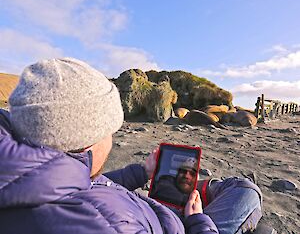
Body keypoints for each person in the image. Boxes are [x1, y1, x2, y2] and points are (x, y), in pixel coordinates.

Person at [0, 58, 218, 234]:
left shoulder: (38, 176)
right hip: (180, 224)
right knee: (242, 190)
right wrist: (199, 222)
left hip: (147, 211)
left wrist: (142, 172)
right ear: (90, 138)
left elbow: (87, 185)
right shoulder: (103, 226)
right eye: (110, 130)